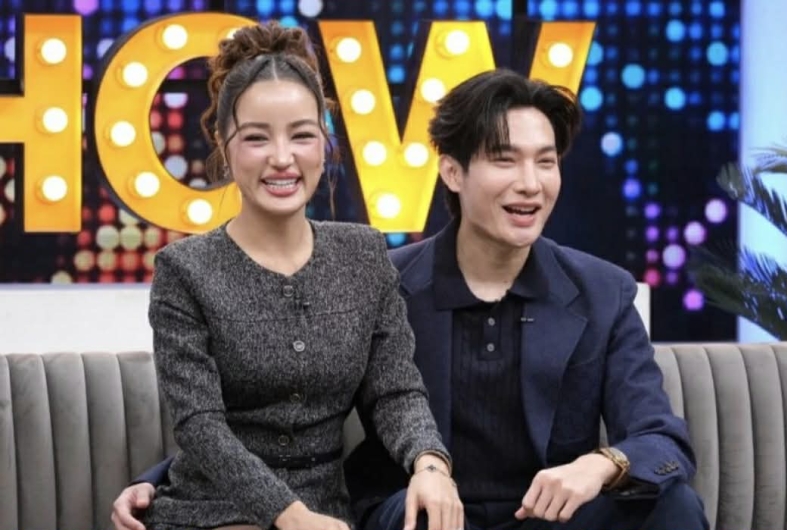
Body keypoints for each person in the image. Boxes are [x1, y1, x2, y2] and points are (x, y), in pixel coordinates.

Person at [113, 68, 709, 530]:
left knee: (673, 504)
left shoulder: (602, 292)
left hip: (547, 518)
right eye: (504, 160)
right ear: (452, 172)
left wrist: (601, 464)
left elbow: (662, 438)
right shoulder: (383, 278)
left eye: (545, 162)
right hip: (418, 514)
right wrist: (165, 482)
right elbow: (292, 395)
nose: (529, 183)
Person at [125, 20, 463, 530]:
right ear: (223, 142)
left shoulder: (364, 255)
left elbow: (395, 392)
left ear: (323, 141)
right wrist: (289, 516)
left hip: (329, 513)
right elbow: (199, 427)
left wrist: (430, 464)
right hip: (212, 511)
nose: (282, 159)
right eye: (256, 138)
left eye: (302, 135)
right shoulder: (184, 270)